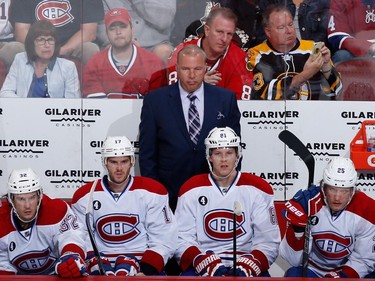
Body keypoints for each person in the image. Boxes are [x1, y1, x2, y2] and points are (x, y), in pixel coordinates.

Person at [139, 44, 241, 211]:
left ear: (205, 68)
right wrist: (156, 193)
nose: (192, 75)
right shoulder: (155, 101)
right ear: (177, 69)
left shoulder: (225, 99)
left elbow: (235, 148)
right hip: (169, 195)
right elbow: (147, 153)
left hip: (214, 192)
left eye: (198, 69)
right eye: (186, 69)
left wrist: (227, 187)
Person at [174, 127, 281, 276]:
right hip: (204, 265)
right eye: (218, 153)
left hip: (246, 262)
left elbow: (269, 241)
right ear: (209, 156)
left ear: (237, 155)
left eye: (229, 153)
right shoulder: (191, 189)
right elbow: (181, 238)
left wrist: (251, 263)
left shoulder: (258, 189)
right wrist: (199, 259)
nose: (224, 159)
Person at [71, 136, 177, 276]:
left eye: (124, 161)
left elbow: (164, 238)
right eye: (114, 162)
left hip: (141, 265)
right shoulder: (85, 196)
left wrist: (146, 271)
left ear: (132, 161)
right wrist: (95, 263)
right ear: (105, 162)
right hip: (101, 267)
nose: (119, 168)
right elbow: (80, 238)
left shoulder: (152, 192)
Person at [280, 157, 375, 278]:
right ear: (324, 188)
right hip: (313, 269)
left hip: (345, 270)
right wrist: (298, 231)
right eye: (332, 189)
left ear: (352, 190)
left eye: (344, 191)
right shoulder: (308, 203)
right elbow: (294, 260)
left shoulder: (367, 209)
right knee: (293, 275)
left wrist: (340, 276)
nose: (337, 197)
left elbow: (364, 260)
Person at [0, 168, 88, 277]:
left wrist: (70, 255)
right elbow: (2, 263)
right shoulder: (2, 220)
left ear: (39, 196)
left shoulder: (56, 210)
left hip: (56, 276)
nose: (27, 205)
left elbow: (71, 236)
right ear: (11, 200)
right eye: (21, 199)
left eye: (32, 197)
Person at [248, 4, 342, 100]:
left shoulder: (312, 48)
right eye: (281, 27)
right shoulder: (256, 54)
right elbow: (262, 95)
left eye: (290, 24)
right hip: (276, 113)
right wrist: (305, 74)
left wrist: (326, 66)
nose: (289, 31)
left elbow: (338, 91)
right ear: (268, 32)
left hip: (313, 112)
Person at [167, 7, 253, 100]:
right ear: (207, 30)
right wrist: (198, 84)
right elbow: (172, 96)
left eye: (229, 34)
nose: (224, 39)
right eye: (220, 32)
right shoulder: (182, 52)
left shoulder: (239, 58)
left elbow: (240, 103)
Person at [83, 8, 167, 98]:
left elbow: (158, 104)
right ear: (106, 33)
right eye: (112, 28)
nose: (118, 32)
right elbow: (98, 107)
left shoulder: (153, 63)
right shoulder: (95, 63)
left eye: (123, 26)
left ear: (131, 28)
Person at [9, 0, 104, 66]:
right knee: (13, 48)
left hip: (72, 47)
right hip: (35, 46)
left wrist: (62, 50)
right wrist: (38, 49)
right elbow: (21, 30)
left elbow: (89, 31)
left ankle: (89, 91)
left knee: (89, 48)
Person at [0, 21, 80, 98]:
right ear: (32, 43)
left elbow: (73, 102)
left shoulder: (68, 67)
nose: (47, 45)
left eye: (50, 40)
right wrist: (24, 105)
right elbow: (6, 92)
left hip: (52, 111)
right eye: (41, 40)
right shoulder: (20, 59)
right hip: (24, 110)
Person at [98, 0, 176, 63]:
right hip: (119, 42)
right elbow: (102, 26)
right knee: (110, 52)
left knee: (164, 52)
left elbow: (164, 21)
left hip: (156, 45)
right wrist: (124, 43)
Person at [327, 0, 375, 64]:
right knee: (342, 56)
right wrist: (369, 47)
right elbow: (336, 36)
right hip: (356, 51)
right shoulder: (341, 1)